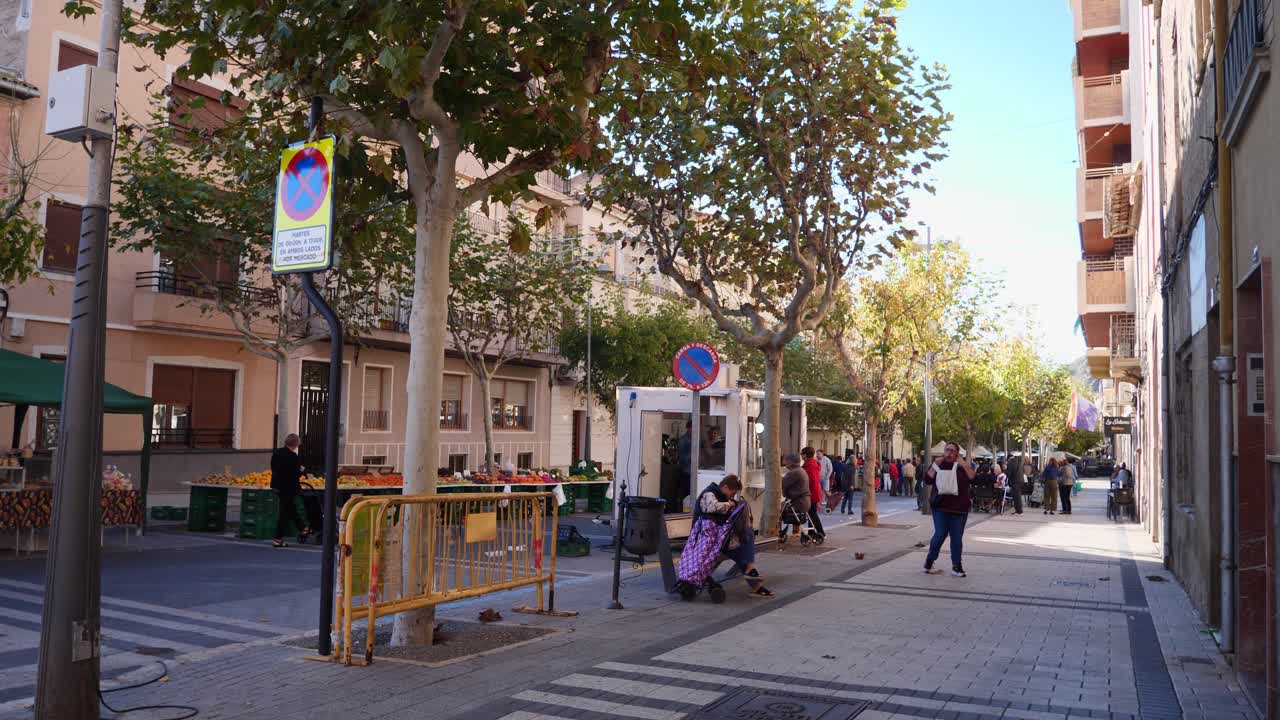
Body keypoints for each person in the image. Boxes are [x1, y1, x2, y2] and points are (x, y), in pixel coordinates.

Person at [683, 475, 773, 598]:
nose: (732, 496)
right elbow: (711, 507)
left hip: (716, 538)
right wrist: (730, 505)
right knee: (744, 540)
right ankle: (754, 577)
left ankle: (754, 579)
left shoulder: (720, 496)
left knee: (744, 540)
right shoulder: (709, 493)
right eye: (732, 493)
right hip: (703, 540)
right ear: (725, 487)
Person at [923, 441, 974, 577]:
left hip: (959, 509)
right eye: (947, 450)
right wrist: (935, 465)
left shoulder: (962, 466)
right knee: (940, 534)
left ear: (957, 453)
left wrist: (964, 465)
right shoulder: (939, 464)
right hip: (941, 507)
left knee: (956, 538)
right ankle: (930, 560)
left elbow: (973, 478)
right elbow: (927, 480)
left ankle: (956, 566)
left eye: (952, 450)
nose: (949, 453)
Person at [270, 433, 312, 548]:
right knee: (284, 512)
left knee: (289, 508)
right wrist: (302, 470)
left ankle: (303, 528)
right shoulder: (293, 457)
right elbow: (295, 474)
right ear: (296, 444)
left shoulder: (277, 453)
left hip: (277, 486)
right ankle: (278, 539)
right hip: (289, 487)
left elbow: (274, 468)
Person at [781, 453, 812, 537]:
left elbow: (783, 484)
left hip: (798, 503)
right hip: (805, 502)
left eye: (786, 460)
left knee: (777, 509)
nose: (784, 463)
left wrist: (785, 493)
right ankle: (795, 532)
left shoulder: (794, 473)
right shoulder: (801, 470)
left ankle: (779, 533)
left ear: (791, 462)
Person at [800, 447, 826, 537]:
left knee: (812, 514)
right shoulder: (812, 464)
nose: (801, 456)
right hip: (814, 492)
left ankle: (821, 532)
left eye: (802, 454)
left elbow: (812, 481)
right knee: (811, 514)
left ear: (805, 455)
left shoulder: (809, 466)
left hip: (811, 493)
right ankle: (812, 532)